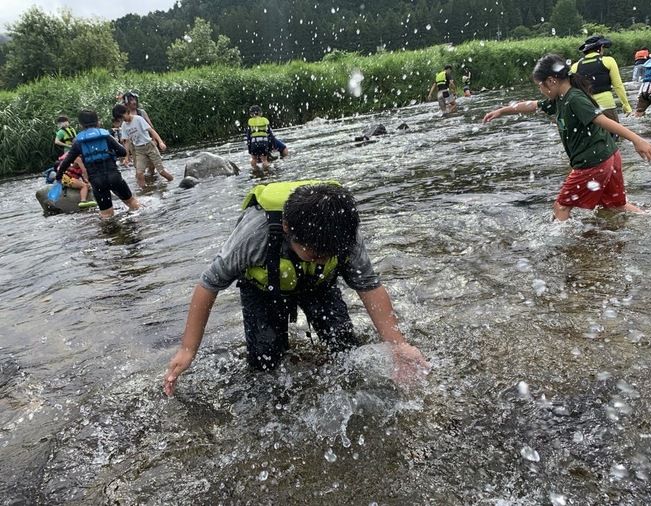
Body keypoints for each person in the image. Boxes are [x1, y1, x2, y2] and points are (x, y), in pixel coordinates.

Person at [163, 181, 429, 395]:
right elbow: (208, 285)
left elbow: (369, 285)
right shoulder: (256, 234)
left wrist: (398, 344)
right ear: (287, 229)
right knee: (265, 364)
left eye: (330, 255)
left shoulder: (343, 232)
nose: (324, 259)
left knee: (344, 343)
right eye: (315, 254)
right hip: (262, 288)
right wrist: (188, 349)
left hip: (319, 285)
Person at [482, 54, 651, 222]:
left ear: (551, 81)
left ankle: (561, 247)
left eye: (540, 86)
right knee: (616, 206)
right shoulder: (559, 99)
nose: (540, 90)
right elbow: (531, 105)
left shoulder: (574, 98)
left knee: (561, 206)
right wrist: (502, 111)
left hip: (593, 162)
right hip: (608, 156)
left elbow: (603, 120)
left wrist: (636, 139)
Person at [55, 110, 140, 219]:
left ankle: (109, 233)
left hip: (97, 181)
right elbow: (123, 152)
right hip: (114, 176)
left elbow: (66, 161)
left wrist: (59, 176)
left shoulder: (78, 142)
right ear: (97, 122)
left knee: (106, 214)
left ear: (81, 124)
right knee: (132, 203)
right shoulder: (105, 136)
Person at [570, 35, 632, 123]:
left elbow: (574, 91)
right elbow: (618, 86)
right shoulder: (608, 61)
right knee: (614, 134)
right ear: (601, 47)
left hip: (587, 107)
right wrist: (626, 104)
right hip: (607, 104)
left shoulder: (575, 67)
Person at [112, 103, 173, 188]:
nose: (123, 120)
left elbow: (151, 131)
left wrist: (160, 142)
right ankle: (145, 193)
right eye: (120, 119)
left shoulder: (138, 119)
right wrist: (126, 156)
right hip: (139, 150)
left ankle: (174, 183)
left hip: (149, 146)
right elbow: (127, 142)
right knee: (139, 174)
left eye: (123, 117)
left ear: (127, 112)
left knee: (161, 172)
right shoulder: (124, 125)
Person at [245, 105, 274, 172]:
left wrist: (249, 148)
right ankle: (267, 172)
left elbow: (248, 137)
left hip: (254, 143)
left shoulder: (250, 122)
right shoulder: (265, 120)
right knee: (264, 160)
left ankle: (256, 171)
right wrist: (271, 146)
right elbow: (270, 135)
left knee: (254, 159)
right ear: (260, 113)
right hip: (264, 142)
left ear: (251, 114)